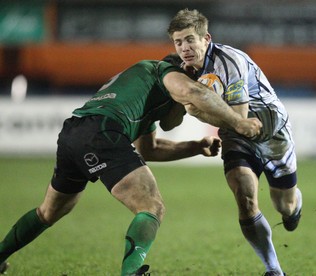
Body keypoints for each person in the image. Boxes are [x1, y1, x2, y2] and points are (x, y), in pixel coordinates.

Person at [0, 56, 262, 276]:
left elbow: (149, 149)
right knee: (151, 206)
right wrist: (237, 121)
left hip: (74, 133)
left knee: (49, 211)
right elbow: (192, 91)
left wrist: (194, 147)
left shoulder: (142, 94)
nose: (185, 110)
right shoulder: (164, 71)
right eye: (184, 107)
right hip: (103, 132)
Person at [168, 9, 303, 276]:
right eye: (178, 42)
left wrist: (196, 111)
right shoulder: (183, 70)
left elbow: (239, 117)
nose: (184, 48)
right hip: (236, 135)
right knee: (244, 196)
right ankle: (274, 270)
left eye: (190, 40)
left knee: (284, 205)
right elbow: (236, 127)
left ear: (206, 38)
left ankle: (293, 208)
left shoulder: (229, 61)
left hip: (271, 130)